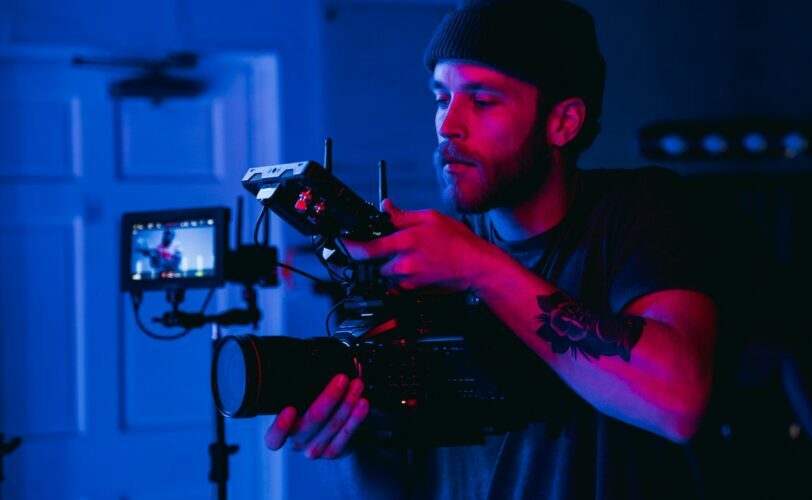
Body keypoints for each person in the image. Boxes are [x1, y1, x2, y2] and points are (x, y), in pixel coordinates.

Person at [265, 1, 718, 497]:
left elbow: (679, 401)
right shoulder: (431, 262)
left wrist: (479, 270)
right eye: (442, 99)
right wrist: (351, 441)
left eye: (482, 101)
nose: (448, 125)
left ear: (563, 122)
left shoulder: (638, 211)